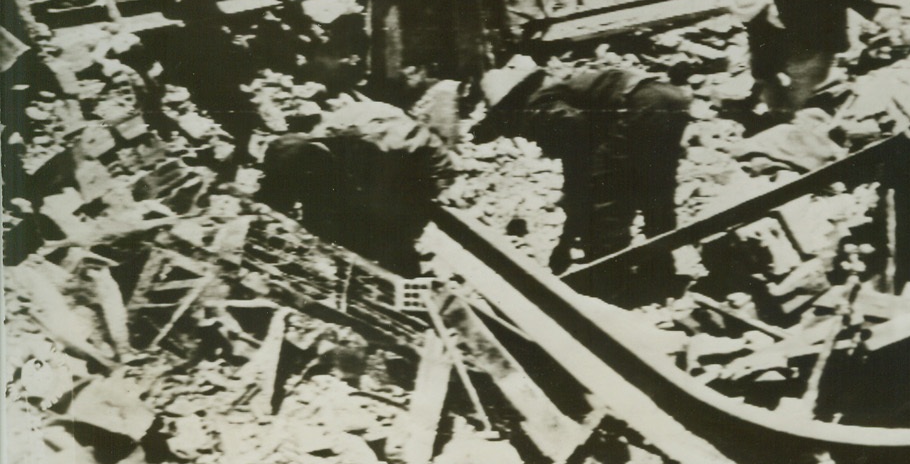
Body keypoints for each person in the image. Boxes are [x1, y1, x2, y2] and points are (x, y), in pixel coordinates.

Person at [477, 56, 691, 301]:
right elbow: (578, 169)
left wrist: (572, 233)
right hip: (667, 100)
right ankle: (660, 271)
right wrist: (565, 242)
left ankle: (609, 286)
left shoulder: (537, 106)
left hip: (641, 107)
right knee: (656, 190)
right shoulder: (559, 90)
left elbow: (579, 151)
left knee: (605, 201)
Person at [257, 101, 453, 273]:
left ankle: (402, 271)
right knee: (326, 217)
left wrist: (443, 184)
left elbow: (431, 149)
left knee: (389, 233)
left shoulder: (381, 143)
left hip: (414, 169)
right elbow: (276, 197)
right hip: (361, 160)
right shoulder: (308, 153)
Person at [726, 0, 883, 117]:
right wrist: (761, 73)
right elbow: (758, 40)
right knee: (766, 74)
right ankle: (776, 112)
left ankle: (790, 113)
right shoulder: (751, 5)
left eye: (761, 14)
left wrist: (877, 15)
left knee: (805, 70)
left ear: (768, 5)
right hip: (789, 26)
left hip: (819, 25)